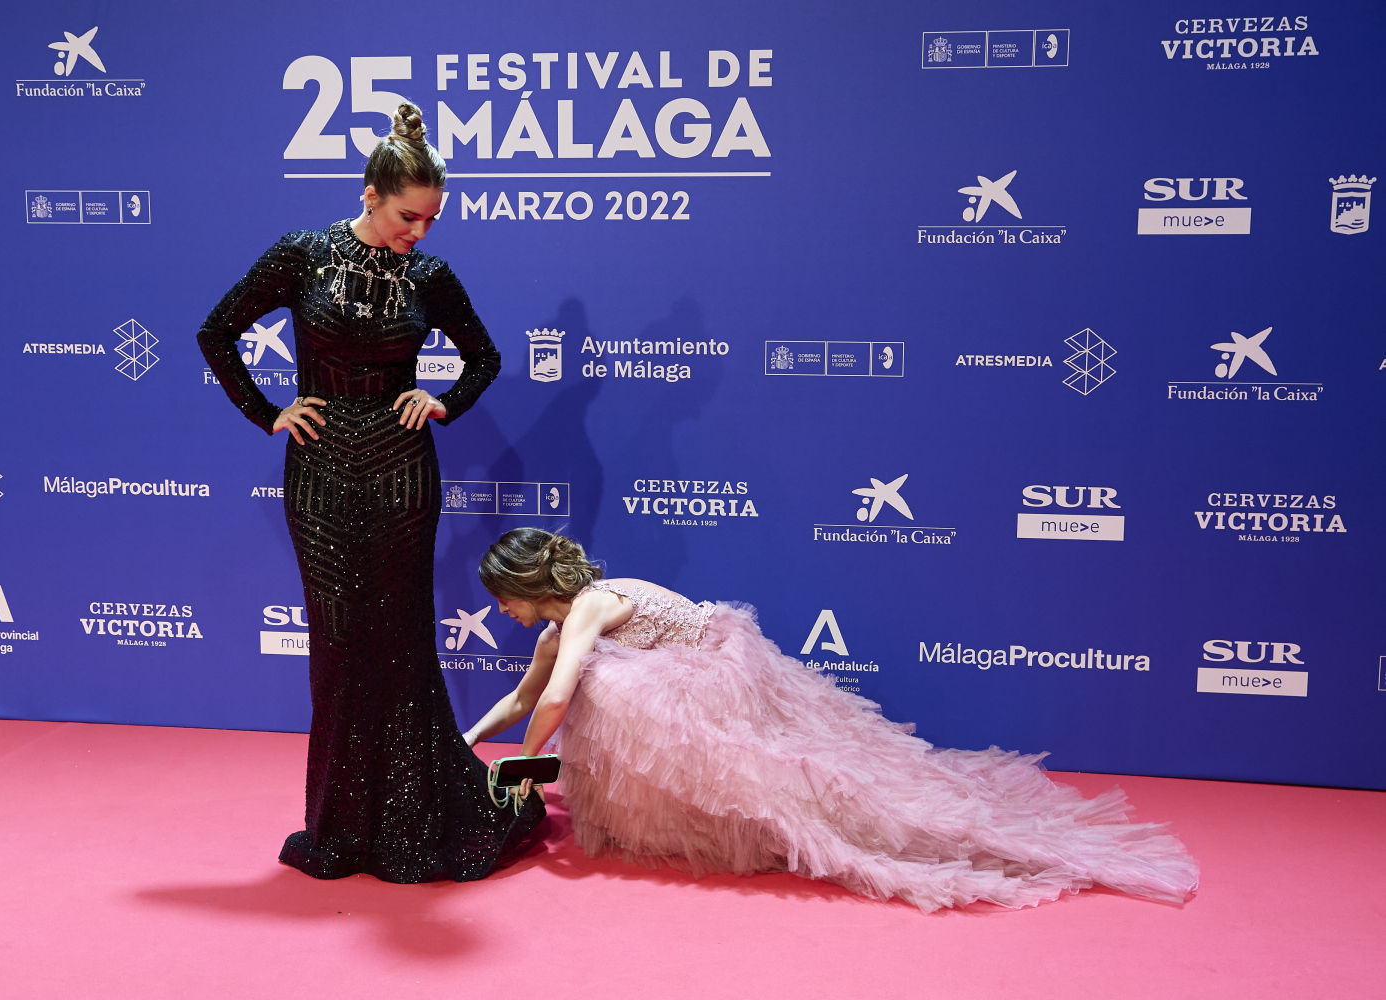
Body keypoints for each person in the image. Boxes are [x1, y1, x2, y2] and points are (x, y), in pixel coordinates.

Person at [465, 528, 1199, 912]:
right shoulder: (559, 631)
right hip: (679, 690)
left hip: (713, 683)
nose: (500, 612)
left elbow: (556, 702)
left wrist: (527, 764)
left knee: (607, 690)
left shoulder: (592, 604)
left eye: (502, 599)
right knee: (601, 685)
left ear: (526, 585)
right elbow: (526, 698)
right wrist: (467, 738)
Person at [198, 102, 543, 882]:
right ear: (369, 194)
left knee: (400, 643)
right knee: (339, 646)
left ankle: (407, 824)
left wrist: (443, 401)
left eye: (431, 219)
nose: (419, 232)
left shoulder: (430, 275)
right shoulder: (302, 254)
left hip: (402, 471)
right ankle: (341, 829)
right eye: (406, 216)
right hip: (319, 471)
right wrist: (268, 412)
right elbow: (216, 331)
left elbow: (484, 356)